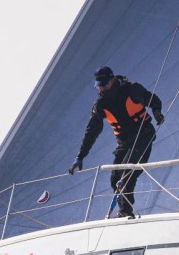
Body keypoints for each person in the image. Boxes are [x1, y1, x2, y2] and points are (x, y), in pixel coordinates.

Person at [68, 66, 164, 218]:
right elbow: (92, 131)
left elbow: (152, 99)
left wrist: (157, 112)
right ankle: (124, 210)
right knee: (115, 178)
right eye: (99, 85)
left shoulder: (131, 89)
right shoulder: (101, 104)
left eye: (104, 84)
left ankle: (125, 211)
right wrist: (80, 156)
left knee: (127, 171)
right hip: (124, 142)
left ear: (112, 79)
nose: (101, 88)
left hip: (143, 134)